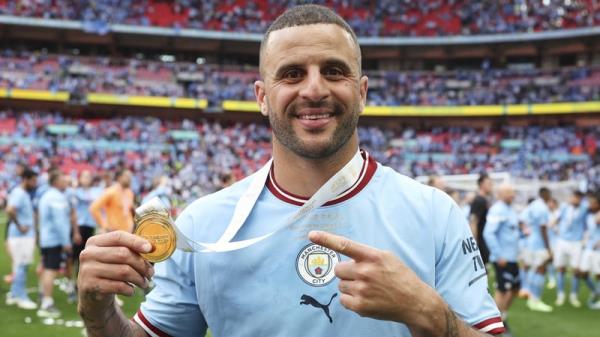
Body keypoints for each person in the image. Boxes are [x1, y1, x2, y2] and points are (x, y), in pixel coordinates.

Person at [77, 5, 504, 337]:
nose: (314, 89)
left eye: (333, 71)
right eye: (293, 74)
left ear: (362, 92)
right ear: (262, 97)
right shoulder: (204, 223)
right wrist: (98, 313)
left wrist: (427, 312)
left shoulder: (433, 213)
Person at [483, 183, 519, 332]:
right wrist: (498, 255)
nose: (512, 195)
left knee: (516, 288)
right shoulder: (497, 210)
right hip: (502, 258)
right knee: (503, 289)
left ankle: (502, 316)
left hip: (512, 257)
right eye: (509, 193)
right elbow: (488, 233)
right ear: (500, 194)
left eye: (513, 192)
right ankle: (496, 323)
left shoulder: (510, 209)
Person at [37, 170, 72, 318]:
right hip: (54, 239)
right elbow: (60, 222)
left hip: (46, 238)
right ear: (56, 182)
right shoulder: (56, 197)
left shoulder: (46, 195)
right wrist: (66, 241)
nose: (66, 182)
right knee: (51, 270)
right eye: (63, 179)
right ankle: (47, 302)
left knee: (46, 268)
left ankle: (42, 294)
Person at [5, 168, 38, 310]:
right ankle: (20, 297)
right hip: (21, 236)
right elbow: (10, 210)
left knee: (19, 265)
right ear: (25, 179)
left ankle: (13, 294)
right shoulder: (19, 193)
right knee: (21, 266)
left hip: (22, 236)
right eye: (33, 180)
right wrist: (19, 226)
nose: (35, 183)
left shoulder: (22, 193)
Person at [553, 190, 588, 307]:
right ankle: (560, 294)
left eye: (577, 198)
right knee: (560, 268)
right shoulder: (564, 207)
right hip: (562, 241)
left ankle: (574, 295)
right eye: (573, 197)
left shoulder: (584, 209)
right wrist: (554, 227)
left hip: (576, 242)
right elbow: (556, 220)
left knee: (576, 270)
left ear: (581, 199)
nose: (575, 199)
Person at [522, 187, 554, 312]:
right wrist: (548, 247)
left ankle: (527, 291)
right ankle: (535, 300)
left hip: (530, 241)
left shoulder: (533, 205)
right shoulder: (542, 208)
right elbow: (543, 228)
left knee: (531, 267)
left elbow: (523, 220)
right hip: (539, 243)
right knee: (541, 269)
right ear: (546, 194)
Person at [89, 168, 135, 233]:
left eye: (130, 177)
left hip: (128, 232)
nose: (130, 179)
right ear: (119, 178)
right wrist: (104, 225)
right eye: (127, 176)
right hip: (114, 233)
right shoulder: (111, 191)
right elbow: (93, 208)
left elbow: (128, 211)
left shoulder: (130, 193)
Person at [579, 190, 600, 309]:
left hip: (598, 250)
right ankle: (595, 291)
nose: (590, 205)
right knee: (582, 272)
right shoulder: (588, 215)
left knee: (599, 274)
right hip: (589, 247)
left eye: (593, 203)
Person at [469, 173, 493, 266]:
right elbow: (473, 221)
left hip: (483, 239)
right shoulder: (479, 200)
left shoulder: (484, 200)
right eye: (489, 184)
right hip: (480, 240)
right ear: (482, 184)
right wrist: (475, 243)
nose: (491, 186)